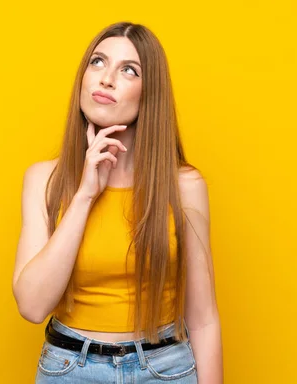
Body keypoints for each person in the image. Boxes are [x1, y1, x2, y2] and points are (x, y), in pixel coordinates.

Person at [12, 21, 223, 383]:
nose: (106, 78)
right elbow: (32, 306)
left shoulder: (183, 186)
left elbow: (203, 319)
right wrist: (85, 195)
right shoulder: (44, 179)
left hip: (165, 370)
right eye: (97, 62)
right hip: (69, 369)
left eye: (129, 70)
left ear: (150, 93)